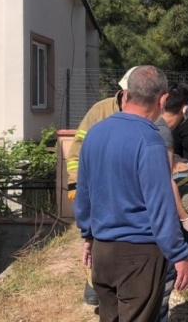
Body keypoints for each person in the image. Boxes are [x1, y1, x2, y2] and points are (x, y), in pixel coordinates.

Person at [74, 66, 188, 321]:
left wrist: (88, 235)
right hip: (139, 254)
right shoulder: (149, 139)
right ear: (162, 100)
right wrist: (179, 254)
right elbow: (160, 204)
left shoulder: (95, 132)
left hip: (103, 251)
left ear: (126, 94)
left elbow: (84, 193)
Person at [66, 66, 137, 306]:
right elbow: (77, 149)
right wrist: (75, 183)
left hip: (126, 185)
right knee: (95, 235)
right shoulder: (100, 110)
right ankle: (93, 281)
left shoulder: (144, 110)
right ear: (124, 91)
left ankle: (117, 281)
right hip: (97, 184)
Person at [154, 82, 188, 322]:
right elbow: (166, 182)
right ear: (185, 109)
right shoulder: (163, 132)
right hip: (159, 218)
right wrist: (185, 218)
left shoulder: (146, 125)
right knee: (164, 280)